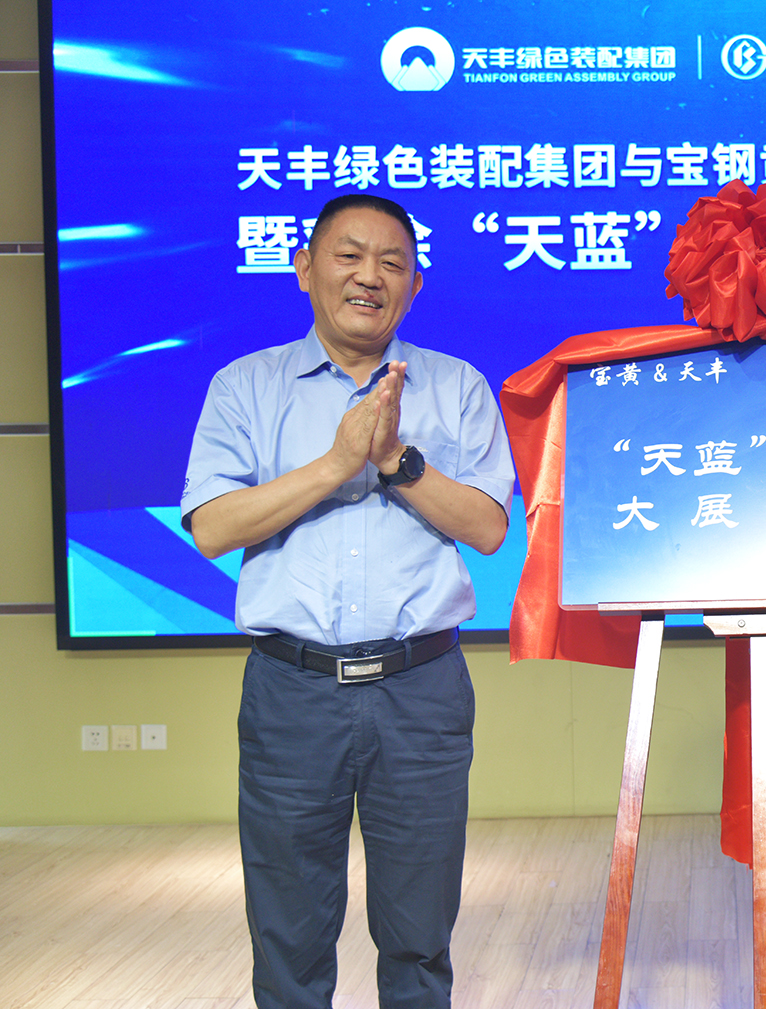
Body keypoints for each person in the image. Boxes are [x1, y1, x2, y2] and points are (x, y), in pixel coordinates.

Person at [181, 194, 513, 1009]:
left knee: (419, 938)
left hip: (421, 691)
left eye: (393, 263)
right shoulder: (245, 386)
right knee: (289, 941)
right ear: (305, 269)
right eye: (349, 255)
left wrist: (396, 460)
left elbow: (488, 525)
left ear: (415, 285)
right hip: (292, 693)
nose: (370, 276)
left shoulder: (457, 386)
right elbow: (212, 526)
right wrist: (336, 464)